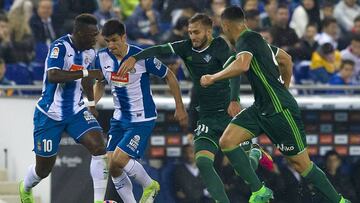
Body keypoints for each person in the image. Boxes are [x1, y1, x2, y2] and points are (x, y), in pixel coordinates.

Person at [200, 6, 351, 203]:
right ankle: (259, 190)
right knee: (227, 141)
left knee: (301, 165)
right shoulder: (256, 42)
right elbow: (286, 59)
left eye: (222, 27)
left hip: (280, 111)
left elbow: (242, 65)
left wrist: (213, 77)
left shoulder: (248, 39)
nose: (223, 31)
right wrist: (283, 87)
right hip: (261, 107)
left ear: (227, 25)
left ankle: (339, 200)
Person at [119, 13, 273, 203]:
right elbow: (159, 49)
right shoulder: (186, 47)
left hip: (227, 115)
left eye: (196, 32)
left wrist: (234, 99)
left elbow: (234, 74)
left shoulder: (220, 47)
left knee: (240, 170)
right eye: (190, 32)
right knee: (202, 162)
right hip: (206, 117)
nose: (192, 36)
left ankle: (255, 153)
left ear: (208, 32)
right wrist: (135, 58)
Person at [93, 19, 188, 203]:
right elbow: (100, 83)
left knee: (119, 160)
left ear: (124, 37)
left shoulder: (141, 55)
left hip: (142, 118)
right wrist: (91, 104)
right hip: (119, 118)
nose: (111, 45)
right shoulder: (101, 57)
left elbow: (169, 75)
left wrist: (180, 106)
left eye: (114, 40)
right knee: (112, 166)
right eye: (107, 41)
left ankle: (149, 184)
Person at [19, 14, 108, 203]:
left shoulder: (90, 52)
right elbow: (53, 75)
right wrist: (86, 72)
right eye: (91, 35)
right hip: (49, 114)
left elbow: (86, 79)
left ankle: (99, 200)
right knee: (43, 170)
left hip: (76, 111)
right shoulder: (60, 47)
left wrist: (91, 104)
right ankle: (25, 187)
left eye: (96, 34)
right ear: (78, 33)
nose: (95, 39)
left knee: (100, 147)